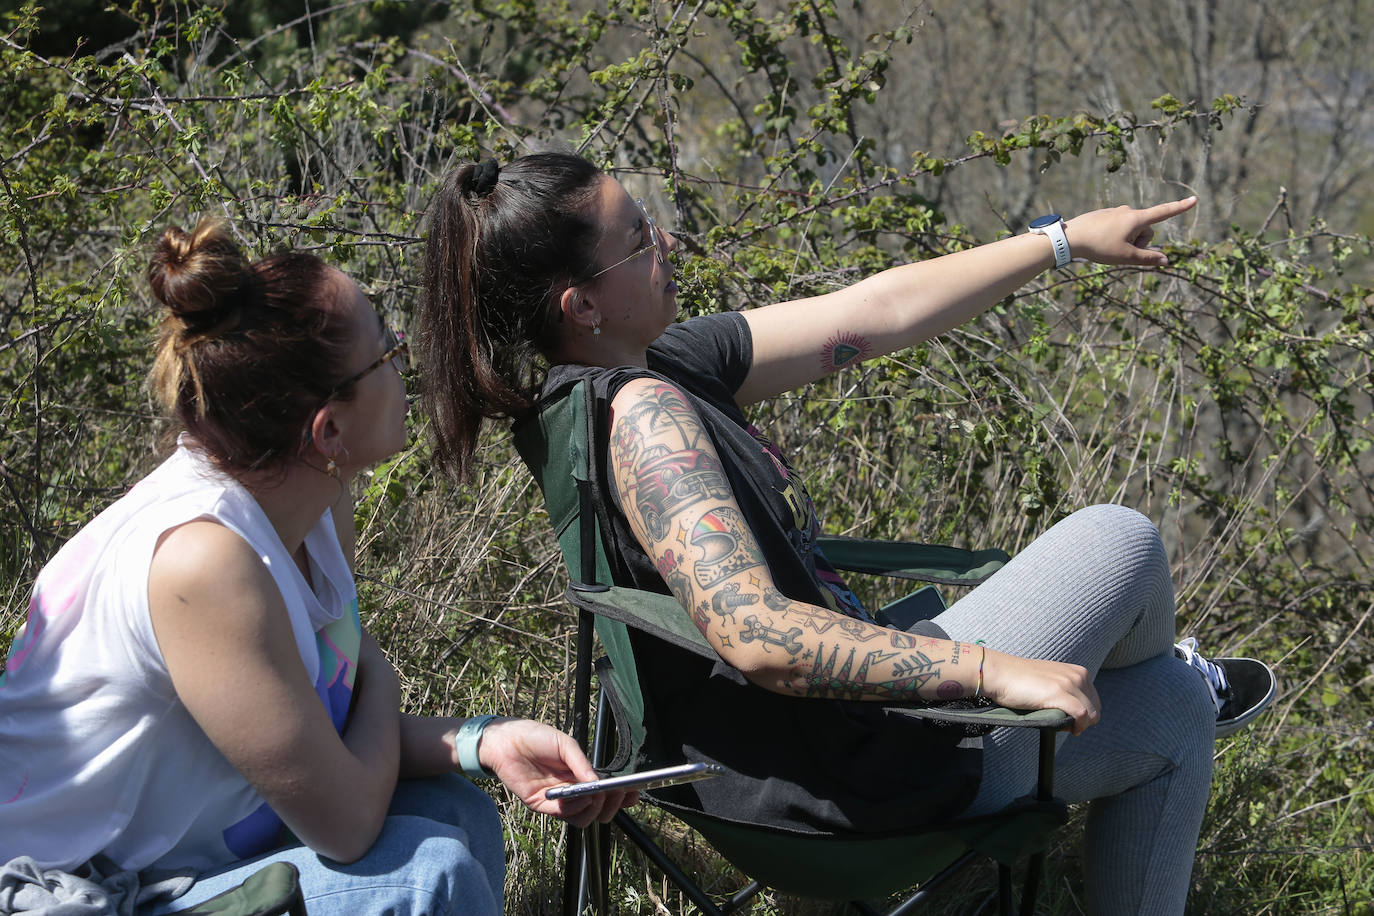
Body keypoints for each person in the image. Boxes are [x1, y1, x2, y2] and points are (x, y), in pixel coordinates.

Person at [417, 152, 1276, 915]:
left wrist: (1062, 241)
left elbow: (879, 310)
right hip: (843, 776)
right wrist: (989, 671)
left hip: (813, 739)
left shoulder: (653, 370)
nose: (667, 242)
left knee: (1167, 716)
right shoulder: (641, 419)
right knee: (1120, 537)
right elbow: (757, 636)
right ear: (584, 304)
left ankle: (1183, 686)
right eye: (640, 239)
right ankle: (1183, 677)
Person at [0, 220, 634, 915]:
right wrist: (382, 678)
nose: (402, 358)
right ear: (328, 429)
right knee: (430, 879)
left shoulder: (310, 503)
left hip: (171, 864)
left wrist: (486, 740)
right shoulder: (203, 562)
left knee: (457, 812)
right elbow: (345, 822)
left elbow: (322, 750)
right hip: (72, 893)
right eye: (384, 353)